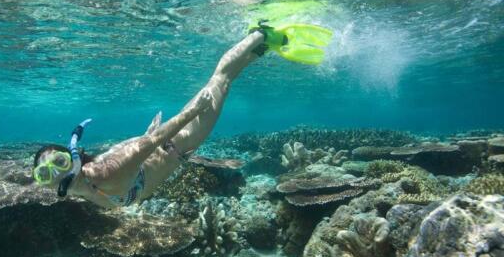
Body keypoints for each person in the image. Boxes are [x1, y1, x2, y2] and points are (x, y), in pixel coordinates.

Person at [31, 21, 331, 209]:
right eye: (44, 173)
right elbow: (136, 147)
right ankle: (259, 48)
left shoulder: (106, 173)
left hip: (180, 141)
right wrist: (147, 137)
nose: (55, 174)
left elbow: (147, 146)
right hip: (166, 146)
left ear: (71, 159)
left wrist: (193, 112)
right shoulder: (85, 185)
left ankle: (258, 34)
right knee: (223, 82)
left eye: (57, 163)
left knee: (219, 80)